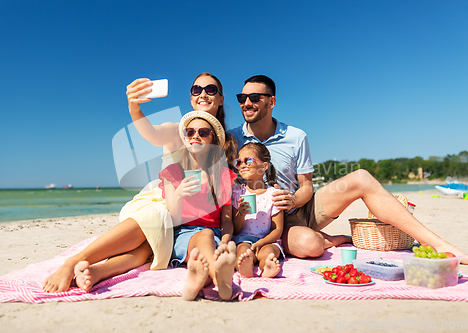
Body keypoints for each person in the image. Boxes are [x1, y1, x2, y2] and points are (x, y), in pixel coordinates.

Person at [228, 75, 468, 265]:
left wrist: (291, 200)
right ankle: (332, 239)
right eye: (242, 97)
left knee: (361, 177)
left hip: (297, 211)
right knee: (311, 246)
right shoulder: (233, 138)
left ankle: (436, 243)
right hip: (257, 222)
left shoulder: (296, 136)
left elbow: (307, 187)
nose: (247, 102)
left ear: (272, 101)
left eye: (255, 97)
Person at [42, 73, 236, 293]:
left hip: (192, 219)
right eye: (196, 89)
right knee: (156, 219)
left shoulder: (227, 146)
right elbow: (151, 134)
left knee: (147, 251)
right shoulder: (177, 130)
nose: (203, 94)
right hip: (164, 199)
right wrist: (135, 109)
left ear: (221, 98)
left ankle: (98, 272)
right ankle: (72, 262)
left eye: (210, 90)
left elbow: (233, 193)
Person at [160, 111, 237, 301]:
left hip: (214, 237)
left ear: (213, 141)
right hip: (183, 234)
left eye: (203, 132)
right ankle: (220, 281)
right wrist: (178, 195)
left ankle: (200, 278)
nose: (195, 136)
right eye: (189, 132)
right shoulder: (173, 172)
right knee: (206, 235)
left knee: (209, 237)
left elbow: (226, 222)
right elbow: (174, 220)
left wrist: (226, 242)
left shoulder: (223, 176)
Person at [232, 142, 284, 278]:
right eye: (239, 162)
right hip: (243, 239)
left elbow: (277, 230)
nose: (242, 165)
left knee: (269, 252)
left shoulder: (273, 194)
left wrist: (260, 243)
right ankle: (245, 267)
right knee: (243, 250)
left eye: (248, 160)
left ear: (263, 166)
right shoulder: (237, 192)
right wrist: (241, 214)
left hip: (267, 240)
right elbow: (235, 229)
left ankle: (266, 267)